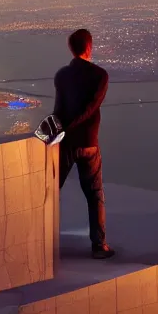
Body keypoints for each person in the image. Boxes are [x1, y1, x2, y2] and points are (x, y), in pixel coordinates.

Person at [53, 29, 115, 259]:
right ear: (89, 47)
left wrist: (55, 130)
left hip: (66, 143)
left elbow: (58, 111)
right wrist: (73, 124)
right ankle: (99, 246)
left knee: (50, 192)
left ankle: (40, 240)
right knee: (95, 195)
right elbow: (91, 108)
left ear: (71, 48)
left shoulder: (62, 75)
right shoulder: (100, 76)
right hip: (89, 143)